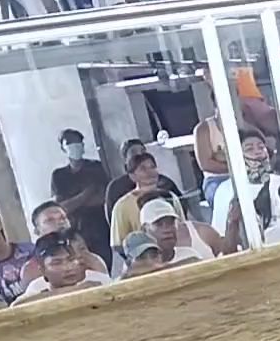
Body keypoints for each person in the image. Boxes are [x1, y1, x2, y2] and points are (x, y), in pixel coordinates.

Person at [49, 128, 111, 264]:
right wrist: (86, 194)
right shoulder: (59, 175)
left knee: (103, 263)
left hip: (100, 227)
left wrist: (74, 202)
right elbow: (62, 208)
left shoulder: (95, 167)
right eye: (69, 143)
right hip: (74, 231)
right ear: (63, 148)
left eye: (77, 143)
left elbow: (104, 198)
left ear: (82, 145)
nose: (74, 146)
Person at [108, 151, 183, 245]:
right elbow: (118, 243)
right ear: (132, 176)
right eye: (143, 169)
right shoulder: (122, 206)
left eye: (152, 167)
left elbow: (182, 228)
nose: (150, 172)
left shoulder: (170, 197)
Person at [17, 230, 113, 303]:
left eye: (71, 259)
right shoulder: (37, 286)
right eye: (57, 263)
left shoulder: (96, 278)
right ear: (42, 270)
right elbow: (16, 306)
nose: (68, 267)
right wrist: (76, 290)